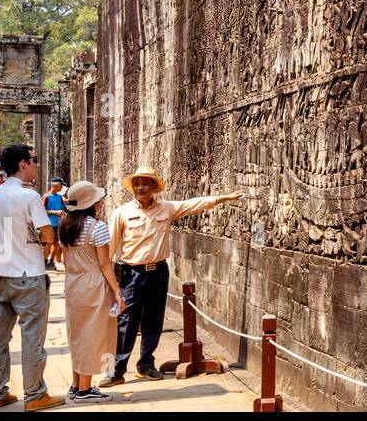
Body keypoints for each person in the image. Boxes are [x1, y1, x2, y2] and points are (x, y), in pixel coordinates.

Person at [104, 166, 244, 385]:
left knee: (154, 319)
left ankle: (146, 365)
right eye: (137, 183)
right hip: (131, 273)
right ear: (132, 187)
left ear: (153, 187)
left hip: (158, 272)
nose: (140, 187)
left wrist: (223, 198)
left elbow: (193, 204)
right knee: (127, 322)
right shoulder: (121, 213)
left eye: (145, 183)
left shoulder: (166, 208)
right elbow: (110, 248)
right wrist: (107, 281)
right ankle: (116, 371)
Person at [0, 144, 63, 411]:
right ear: (22, 164)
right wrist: (41, 246)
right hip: (28, 274)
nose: (36, 165)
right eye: (33, 160)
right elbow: (48, 234)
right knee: (32, 336)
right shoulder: (28, 196)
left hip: (2, 273)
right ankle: (34, 394)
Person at [57, 181, 122, 402]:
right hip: (94, 284)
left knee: (77, 334)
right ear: (92, 203)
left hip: (73, 283)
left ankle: (76, 385)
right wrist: (117, 291)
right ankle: (85, 389)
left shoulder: (64, 227)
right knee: (94, 335)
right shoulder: (97, 227)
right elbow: (104, 263)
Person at [43, 179, 66, 270]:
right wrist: (55, 212)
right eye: (61, 186)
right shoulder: (46, 197)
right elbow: (41, 211)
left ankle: (51, 261)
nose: (62, 187)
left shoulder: (60, 197)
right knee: (49, 243)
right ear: (56, 186)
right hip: (49, 224)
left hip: (58, 224)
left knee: (56, 244)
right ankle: (44, 262)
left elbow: (63, 209)